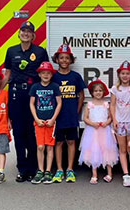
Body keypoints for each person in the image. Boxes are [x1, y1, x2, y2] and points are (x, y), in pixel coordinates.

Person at [2, 21, 49, 182]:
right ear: (19, 33)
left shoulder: (40, 51)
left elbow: (46, 74)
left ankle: (33, 167)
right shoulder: (11, 51)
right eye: (23, 31)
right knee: (19, 133)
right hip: (15, 95)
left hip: (33, 95)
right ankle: (22, 169)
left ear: (33, 35)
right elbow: (7, 74)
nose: (26, 33)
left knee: (33, 133)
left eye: (29, 31)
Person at [51, 44, 86, 183]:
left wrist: (77, 111)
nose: (64, 60)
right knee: (58, 143)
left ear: (71, 60)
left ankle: (70, 169)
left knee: (71, 142)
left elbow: (81, 95)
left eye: (67, 58)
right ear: (57, 60)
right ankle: (59, 169)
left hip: (71, 116)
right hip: (57, 116)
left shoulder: (76, 76)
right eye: (61, 58)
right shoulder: (53, 77)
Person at [78, 79, 119, 184]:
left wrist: (107, 122)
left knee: (107, 150)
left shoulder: (106, 104)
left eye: (100, 90)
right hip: (93, 131)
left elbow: (110, 117)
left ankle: (109, 173)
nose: (98, 93)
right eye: (96, 91)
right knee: (94, 150)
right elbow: (85, 118)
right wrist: (92, 123)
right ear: (92, 92)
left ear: (103, 92)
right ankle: (94, 174)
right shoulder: (89, 104)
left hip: (105, 131)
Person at [29, 62, 62, 184]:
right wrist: (36, 119)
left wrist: (53, 119)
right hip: (39, 122)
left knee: (49, 147)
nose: (46, 75)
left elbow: (59, 103)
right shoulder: (35, 87)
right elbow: (31, 104)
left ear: (51, 74)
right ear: (39, 74)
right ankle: (40, 170)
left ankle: (48, 171)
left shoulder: (54, 87)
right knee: (40, 146)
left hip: (51, 123)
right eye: (43, 73)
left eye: (48, 73)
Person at [110, 60, 130, 187]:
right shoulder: (115, 89)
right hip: (120, 123)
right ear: (119, 75)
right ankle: (126, 174)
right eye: (123, 73)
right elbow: (112, 105)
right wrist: (114, 120)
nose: (125, 76)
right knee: (122, 149)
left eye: (127, 73)